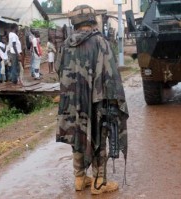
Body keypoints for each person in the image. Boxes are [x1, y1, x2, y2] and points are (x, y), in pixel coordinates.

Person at [56, 4, 129, 195]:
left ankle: (79, 179)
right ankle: (99, 183)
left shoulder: (65, 45)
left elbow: (58, 70)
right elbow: (111, 75)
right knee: (99, 137)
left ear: (75, 23)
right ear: (92, 20)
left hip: (71, 102)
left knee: (77, 136)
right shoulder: (100, 42)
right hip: (97, 101)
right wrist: (115, 102)